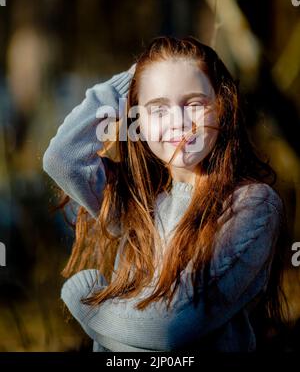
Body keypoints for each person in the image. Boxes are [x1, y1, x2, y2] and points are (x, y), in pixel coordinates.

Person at [43, 36, 289, 352]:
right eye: (158, 108)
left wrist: (88, 304)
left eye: (195, 104)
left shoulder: (252, 206)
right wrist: (139, 77)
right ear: (137, 121)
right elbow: (63, 158)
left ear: (222, 109)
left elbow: (168, 330)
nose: (178, 122)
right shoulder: (140, 202)